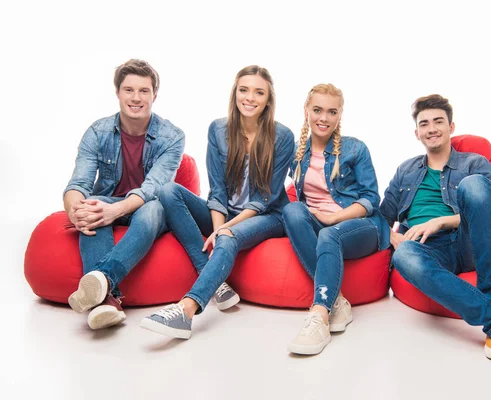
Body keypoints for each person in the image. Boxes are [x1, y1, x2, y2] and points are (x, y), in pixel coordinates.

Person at [380, 94, 491, 377]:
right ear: (417, 133)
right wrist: (395, 239)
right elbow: (381, 217)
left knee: (475, 185)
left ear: (451, 126)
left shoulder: (473, 163)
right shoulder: (406, 170)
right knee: (403, 254)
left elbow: (490, 209)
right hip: (428, 251)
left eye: (438, 121)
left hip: (469, 240)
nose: (432, 128)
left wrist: (441, 221)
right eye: (424, 124)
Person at [140, 65, 294, 340]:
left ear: (268, 99)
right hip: (227, 211)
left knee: (228, 237)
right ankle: (214, 279)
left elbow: (263, 199)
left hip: (269, 216)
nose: (250, 98)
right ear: (235, 93)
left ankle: (186, 310)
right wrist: (217, 226)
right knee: (168, 191)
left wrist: (223, 231)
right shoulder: (218, 129)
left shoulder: (282, 137)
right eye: (244, 90)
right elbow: (218, 191)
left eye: (259, 92)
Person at [64, 59, 185, 330]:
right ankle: (106, 304)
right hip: (109, 201)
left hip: (151, 208)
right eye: (129, 90)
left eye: (144, 91)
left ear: (155, 95)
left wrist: (115, 211)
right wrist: (76, 210)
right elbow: (79, 183)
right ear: (117, 92)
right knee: (91, 205)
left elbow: (153, 187)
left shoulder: (172, 136)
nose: (136, 98)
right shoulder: (98, 131)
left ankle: (102, 281)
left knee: (153, 207)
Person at [283, 84, 390, 355]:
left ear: (340, 115)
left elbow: (370, 199)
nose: (324, 118)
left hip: (361, 226)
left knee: (329, 234)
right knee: (291, 211)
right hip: (320, 223)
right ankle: (337, 301)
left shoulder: (355, 148)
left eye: (332, 112)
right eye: (317, 110)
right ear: (306, 110)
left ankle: (318, 315)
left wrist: (335, 218)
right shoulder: (297, 152)